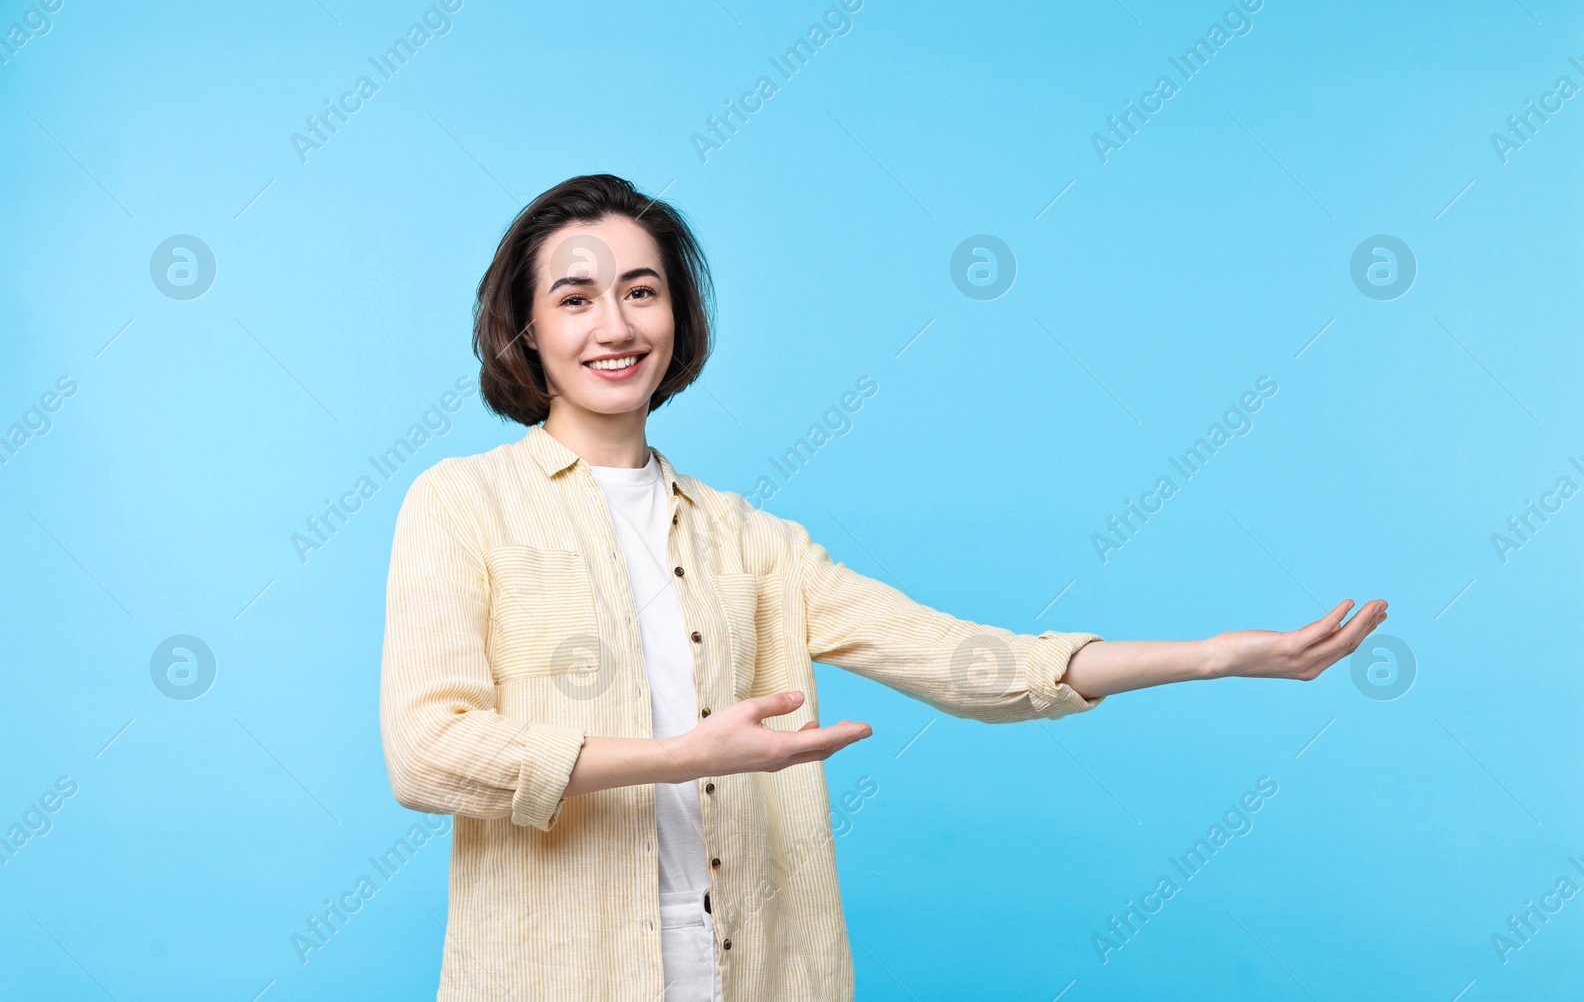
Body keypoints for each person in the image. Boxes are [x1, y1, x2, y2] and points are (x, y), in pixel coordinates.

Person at [378, 173, 1388, 1002]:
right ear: (524, 327)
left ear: (678, 318)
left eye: (642, 290)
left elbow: (961, 658)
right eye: (575, 295)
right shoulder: (463, 503)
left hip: (762, 972)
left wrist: (1214, 655)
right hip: (555, 972)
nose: (615, 323)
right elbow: (427, 751)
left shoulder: (752, 539)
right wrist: (684, 754)